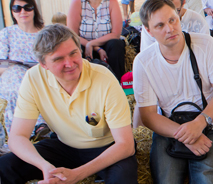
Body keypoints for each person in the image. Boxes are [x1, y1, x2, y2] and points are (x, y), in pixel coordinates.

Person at [0, 24, 137, 183]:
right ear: (43, 64)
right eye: (58, 59)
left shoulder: (104, 79)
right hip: (64, 146)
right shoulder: (33, 79)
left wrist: (78, 174)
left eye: (73, 53)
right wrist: (45, 167)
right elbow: (17, 137)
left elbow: (126, 145)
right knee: (5, 166)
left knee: (123, 179)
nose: (70, 63)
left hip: (107, 147)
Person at [134, 0, 213, 184]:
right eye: (160, 25)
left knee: (206, 180)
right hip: (169, 128)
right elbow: (147, 115)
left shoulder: (206, 45)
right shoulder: (143, 62)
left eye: (173, 20)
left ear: (179, 17)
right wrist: (186, 135)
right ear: (148, 30)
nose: (170, 29)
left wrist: (198, 124)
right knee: (166, 180)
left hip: (209, 123)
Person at [0, 0, 47, 149]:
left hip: (39, 73)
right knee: (17, 83)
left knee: (33, 82)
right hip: (11, 74)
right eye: (17, 8)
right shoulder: (7, 33)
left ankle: (39, 128)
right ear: (12, 12)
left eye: (27, 7)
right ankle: (24, 132)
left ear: (34, 9)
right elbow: (1, 63)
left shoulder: (45, 33)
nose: (22, 12)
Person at [67, 0, 127, 80]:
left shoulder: (111, 2)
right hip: (84, 44)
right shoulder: (77, 2)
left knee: (116, 44)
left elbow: (116, 33)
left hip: (107, 43)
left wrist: (92, 44)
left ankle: (117, 82)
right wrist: (96, 48)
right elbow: (72, 34)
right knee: (75, 48)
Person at [140, 0, 209, 51]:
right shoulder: (151, 22)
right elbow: (147, 52)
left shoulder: (198, 21)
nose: (170, 29)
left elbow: (205, 49)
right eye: (160, 25)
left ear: (183, 3)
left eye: (176, 11)